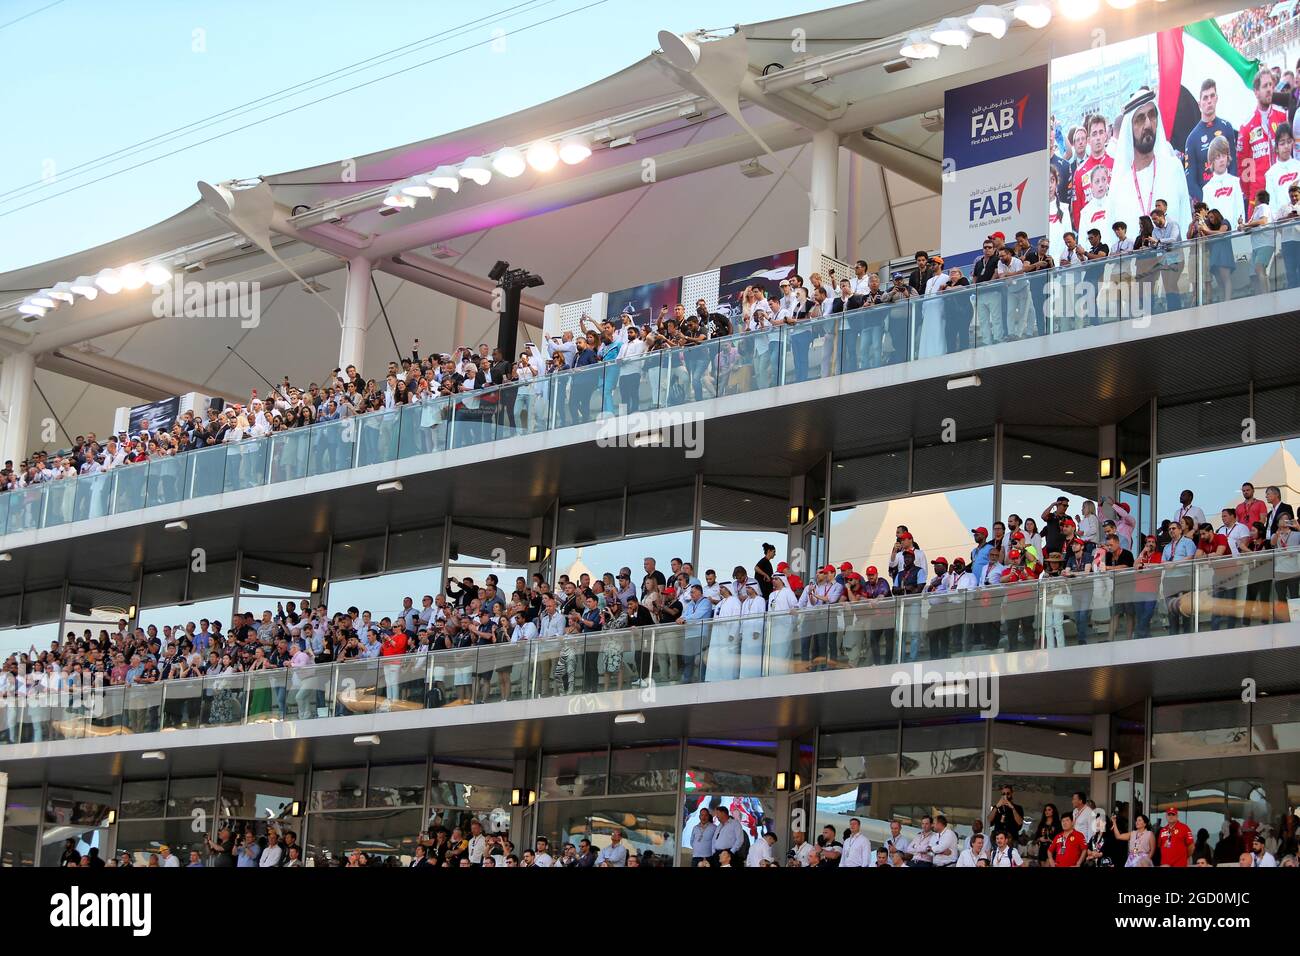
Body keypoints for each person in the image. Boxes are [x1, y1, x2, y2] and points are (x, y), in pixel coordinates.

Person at [1107, 88, 1192, 252]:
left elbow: (1186, 221)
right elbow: (1113, 244)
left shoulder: (1173, 168)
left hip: (1174, 269)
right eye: (1140, 119)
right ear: (1129, 129)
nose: (1147, 124)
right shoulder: (1119, 185)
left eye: (1152, 115)